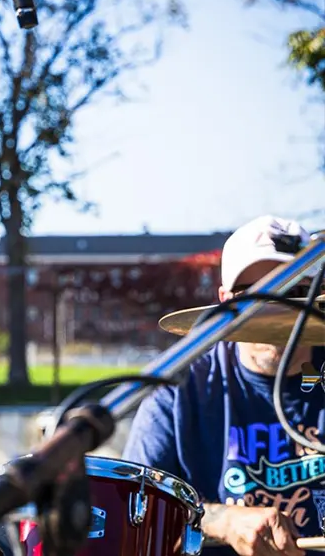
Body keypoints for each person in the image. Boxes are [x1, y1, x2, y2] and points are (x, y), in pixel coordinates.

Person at [124, 215, 325, 556]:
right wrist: (223, 520)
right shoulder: (179, 388)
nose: (274, 311)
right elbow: (136, 506)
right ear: (224, 301)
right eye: (254, 295)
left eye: (294, 293)